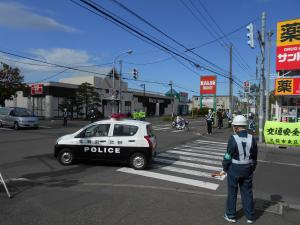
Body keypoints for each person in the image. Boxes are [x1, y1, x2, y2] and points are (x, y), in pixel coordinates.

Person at [222, 115, 258, 224]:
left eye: (234, 126)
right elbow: (255, 157)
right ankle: (250, 217)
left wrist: (225, 167)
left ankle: (231, 215)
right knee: (247, 192)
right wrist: (253, 168)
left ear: (236, 127)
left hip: (234, 169)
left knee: (232, 193)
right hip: (247, 169)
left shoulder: (233, 139)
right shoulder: (252, 139)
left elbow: (228, 156)